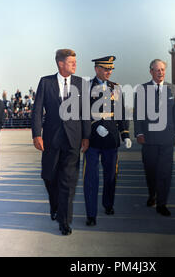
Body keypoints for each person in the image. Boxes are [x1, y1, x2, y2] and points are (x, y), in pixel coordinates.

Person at [31, 49, 91, 236]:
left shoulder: (81, 84)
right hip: (51, 139)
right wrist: (36, 134)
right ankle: (55, 206)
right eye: (71, 61)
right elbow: (37, 110)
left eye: (75, 61)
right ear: (60, 64)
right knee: (48, 176)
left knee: (68, 181)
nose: (75, 64)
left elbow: (86, 112)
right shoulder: (46, 82)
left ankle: (64, 221)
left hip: (73, 139)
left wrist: (86, 136)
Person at [83, 56, 131, 226]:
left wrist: (125, 134)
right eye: (105, 69)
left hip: (111, 139)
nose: (109, 72)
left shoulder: (116, 88)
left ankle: (108, 204)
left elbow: (121, 114)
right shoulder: (86, 87)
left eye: (111, 69)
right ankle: (91, 214)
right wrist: (94, 127)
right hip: (93, 141)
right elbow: (81, 113)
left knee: (111, 176)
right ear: (97, 69)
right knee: (91, 178)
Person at [134, 59, 175, 216]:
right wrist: (139, 133)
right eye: (157, 70)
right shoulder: (142, 89)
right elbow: (138, 113)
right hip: (149, 139)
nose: (160, 72)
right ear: (151, 71)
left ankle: (162, 203)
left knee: (165, 172)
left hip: (167, 139)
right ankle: (152, 194)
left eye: (162, 69)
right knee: (151, 170)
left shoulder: (173, 89)